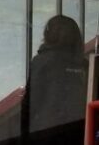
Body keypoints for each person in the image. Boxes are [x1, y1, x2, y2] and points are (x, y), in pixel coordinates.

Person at [21, 15, 86, 144]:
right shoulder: (85, 66)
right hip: (79, 135)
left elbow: (29, 105)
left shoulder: (41, 62)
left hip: (46, 135)